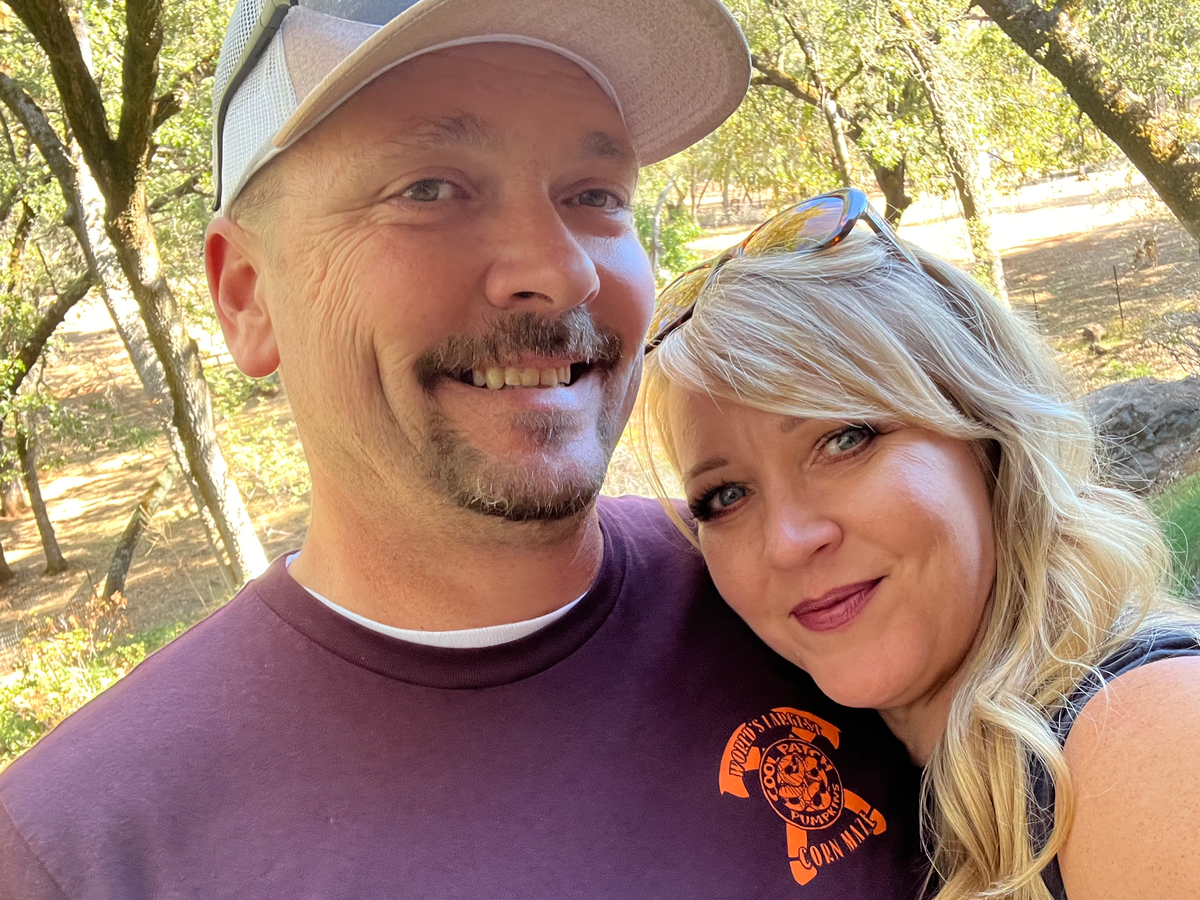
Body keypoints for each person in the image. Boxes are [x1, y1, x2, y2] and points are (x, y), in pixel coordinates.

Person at [0, 5, 927, 898]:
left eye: (594, 194)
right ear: (247, 294)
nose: (561, 270)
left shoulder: (819, 596)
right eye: (429, 189)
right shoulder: (80, 854)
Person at [640, 187, 1200, 900]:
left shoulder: (1149, 743)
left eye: (844, 439)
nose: (787, 542)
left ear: (988, 437)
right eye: (725, 496)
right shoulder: (890, 779)